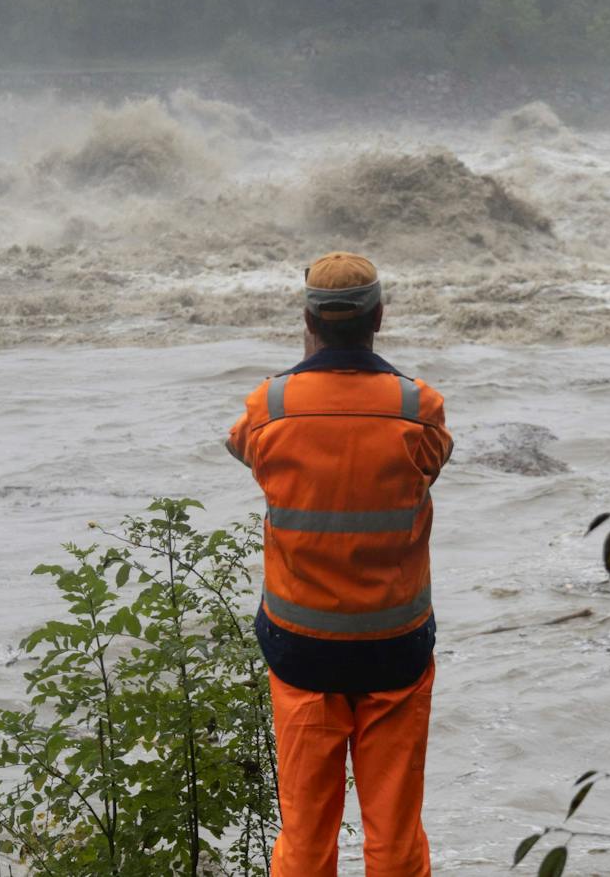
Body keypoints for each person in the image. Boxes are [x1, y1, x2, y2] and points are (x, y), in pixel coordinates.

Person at [226, 251, 453, 877]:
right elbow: (434, 462)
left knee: (303, 836)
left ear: (308, 319)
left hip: (303, 654)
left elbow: (240, 448)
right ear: (379, 317)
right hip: (395, 651)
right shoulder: (418, 409)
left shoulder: (268, 407)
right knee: (396, 836)